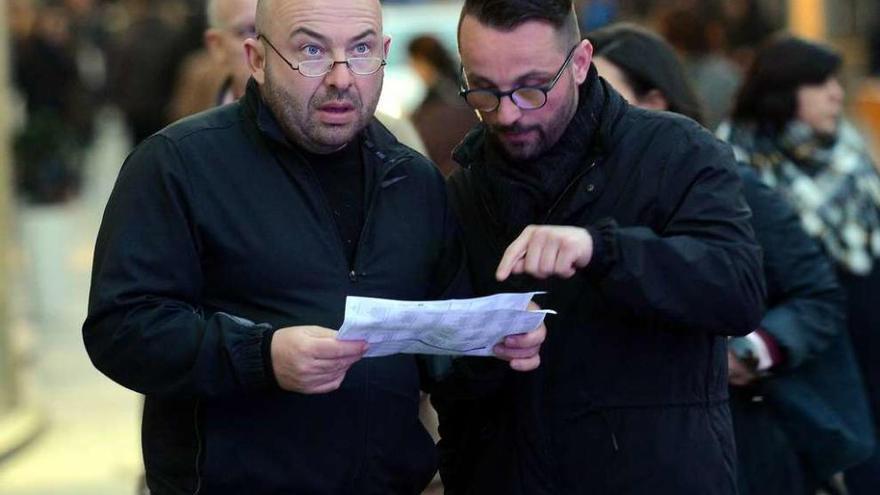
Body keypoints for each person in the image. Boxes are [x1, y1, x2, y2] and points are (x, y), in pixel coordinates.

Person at [82, 0, 544, 493]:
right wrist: (261, 355)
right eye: (311, 50)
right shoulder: (178, 166)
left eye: (362, 49)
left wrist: (489, 344)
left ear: (386, 53)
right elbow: (121, 328)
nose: (342, 77)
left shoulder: (414, 180)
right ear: (257, 59)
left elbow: (439, 354)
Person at [432, 1, 766, 493]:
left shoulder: (677, 150)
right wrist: (482, 349)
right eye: (482, 89)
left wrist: (602, 250)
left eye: (532, 87)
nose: (506, 113)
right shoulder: (463, 192)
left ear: (582, 62)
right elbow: (448, 379)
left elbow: (737, 290)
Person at [591, 23, 875, 494]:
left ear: (656, 100)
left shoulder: (724, 182)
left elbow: (818, 294)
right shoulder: (590, 192)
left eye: (602, 93)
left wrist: (751, 350)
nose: (587, 111)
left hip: (743, 438)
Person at [718, 34, 880, 495]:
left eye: (836, 80)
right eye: (820, 82)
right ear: (783, 91)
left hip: (864, 343)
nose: (837, 92)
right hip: (791, 363)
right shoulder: (732, 165)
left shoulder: (848, 152)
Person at [408, 34, 479, 176]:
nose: (412, 68)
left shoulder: (439, 101)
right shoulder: (459, 86)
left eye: (413, 62)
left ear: (421, 61)